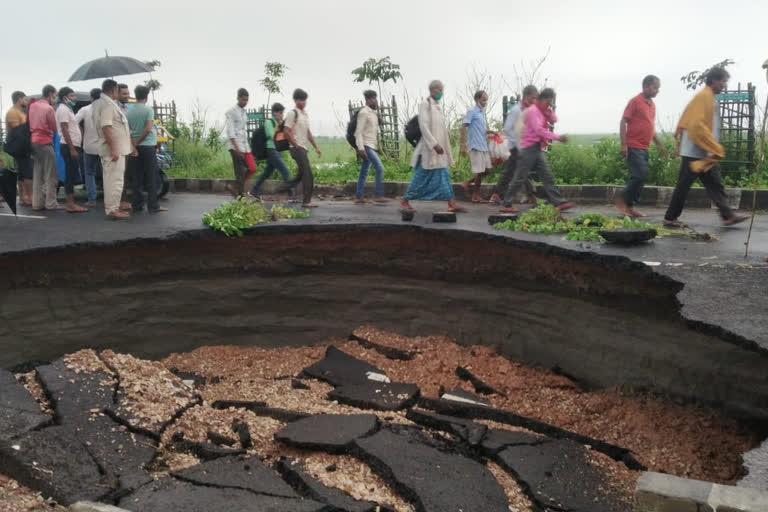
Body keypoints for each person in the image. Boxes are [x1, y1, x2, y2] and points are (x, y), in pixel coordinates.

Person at [663, 67, 748, 227]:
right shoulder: (703, 97)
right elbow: (696, 125)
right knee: (684, 185)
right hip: (695, 151)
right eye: (722, 81)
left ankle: (727, 215)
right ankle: (670, 218)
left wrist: (712, 147)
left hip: (704, 151)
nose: (724, 85)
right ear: (714, 80)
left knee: (715, 184)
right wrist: (712, 146)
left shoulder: (709, 97)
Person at [500, 88, 573, 213]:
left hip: (537, 147)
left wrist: (550, 109)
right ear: (543, 99)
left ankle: (558, 201)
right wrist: (558, 137)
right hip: (528, 148)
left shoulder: (541, 110)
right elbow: (538, 130)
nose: (549, 104)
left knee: (547, 175)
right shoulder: (533, 111)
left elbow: (554, 119)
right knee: (520, 177)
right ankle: (507, 203)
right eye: (548, 101)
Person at [400, 80, 465, 213]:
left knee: (445, 175)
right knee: (420, 177)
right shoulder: (425, 105)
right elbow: (424, 126)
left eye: (442, 90)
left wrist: (444, 147)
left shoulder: (438, 106)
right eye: (439, 90)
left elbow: (442, 129)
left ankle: (451, 203)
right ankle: (405, 200)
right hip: (427, 150)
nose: (441, 93)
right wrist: (434, 145)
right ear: (433, 90)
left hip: (439, 149)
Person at [616, 75, 668, 217]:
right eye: (655, 87)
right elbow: (623, 121)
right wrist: (623, 144)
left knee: (642, 176)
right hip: (633, 145)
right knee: (639, 176)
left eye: (658, 88)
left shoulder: (652, 105)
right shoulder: (635, 102)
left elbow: (651, 127)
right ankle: (623, 201)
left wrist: (659, 145)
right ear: (646, 86)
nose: (657, 91)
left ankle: (630, 207)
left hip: (645, 147)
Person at [489, 85, 538, 206]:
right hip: (516, 147)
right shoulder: (516, 110)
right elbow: (507, 128)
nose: (535, 100)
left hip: (522, 146)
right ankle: (531, 197)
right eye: (533, 97)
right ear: (526, 96)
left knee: (515, 172)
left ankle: (497, 195)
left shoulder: (526, 110)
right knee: (517, 172)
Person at [93, 79, 132, 219]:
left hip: (114, 148)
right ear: (112, 91)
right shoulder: (107, 105)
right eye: (117, 90)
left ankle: (113, 207)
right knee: (115, 180)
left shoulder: (102, 103)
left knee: (112, 180)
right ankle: (112, 210)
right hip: (114, 149)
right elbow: (106, 127)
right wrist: (114, 149)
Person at [126, 85, 166, 213]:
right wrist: (138, 142)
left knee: (136, 177)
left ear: (136, 95)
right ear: (146, 96)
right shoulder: (148, 110)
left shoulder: (128, 111)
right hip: (148, 146)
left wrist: (134, 144)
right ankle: (153, 206)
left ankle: (137, 205)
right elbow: (148, 128)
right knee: (151, 176)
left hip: (134, 147)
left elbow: (128, 131)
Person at [280, 88, 322, 208]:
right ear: (295, 100)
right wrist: (295, 145)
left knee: (300, 175)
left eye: (304, 100)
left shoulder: (304, 114)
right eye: (301, 100)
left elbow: (308, 133)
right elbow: (286, 131)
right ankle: (306, 201)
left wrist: (316, 147)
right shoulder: (292, 113)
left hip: (303, 148)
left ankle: (280, 189)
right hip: (296, 148)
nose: (303, 102)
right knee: (307, 174)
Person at [248, 102, 294, 200]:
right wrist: (279, 127)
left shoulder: (277, 124)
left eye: (282, 113)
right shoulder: (269, 122)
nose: (282, 115)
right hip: (271, 150)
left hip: (275, 150)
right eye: (280, 113)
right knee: (285, 171)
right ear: (274, 113)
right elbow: (270, 135)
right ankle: (291, 195)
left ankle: (254, 191)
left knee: (266, 173)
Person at [28, 84, 61, 211]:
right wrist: (54, 111)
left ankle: (37, 203)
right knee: (50, 174)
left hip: (33, 141)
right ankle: (51, 203)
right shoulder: (48, 108)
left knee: (37, 173)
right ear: (51, 94)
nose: (56, 97)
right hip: (45, 142)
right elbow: (54, 127)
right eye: (55, 94)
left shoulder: (33, 105)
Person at [55, 87, 87, 212]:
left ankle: (71, 203)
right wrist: (72, 149)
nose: (75, 98)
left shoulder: (68, 109)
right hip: (69, 146)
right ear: (65, 98)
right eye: (72, 95)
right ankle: (71, 204)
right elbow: (64, 129)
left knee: (72, 174)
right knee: (70, 175)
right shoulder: (63, 109)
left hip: (72, 146)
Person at [354, 90, 388, 204]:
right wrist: (361, 148)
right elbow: (358, 132)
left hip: (371, 145)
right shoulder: (364, 113)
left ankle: (359, 197)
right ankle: (378, 195)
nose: (375, 100)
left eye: (375, 98)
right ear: (367, 100)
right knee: (380, 168)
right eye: (373, 98)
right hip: (366, 145)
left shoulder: (373, 113)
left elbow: (374, 127)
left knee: (364, 171)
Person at [460, 90, 492, 203]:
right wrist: (463, 144)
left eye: (486, 100)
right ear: (478, 99)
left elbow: (481, 129)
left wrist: (491, 132)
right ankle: (475, 195)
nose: (485, 102)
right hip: (475, 145)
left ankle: (467, 182)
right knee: (479, 172)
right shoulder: (472, 111)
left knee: (488, 170)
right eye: (484, 100)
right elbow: (463, 126)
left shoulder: (481, 113)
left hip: (483, 145)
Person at [75, 88, 103, 207]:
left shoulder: (85, 109)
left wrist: (80, 135)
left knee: (89, 173)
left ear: (91, 98)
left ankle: (92, 200)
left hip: (89, 147)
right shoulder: (106, 110)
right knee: (107, 173)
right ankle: (110, 199)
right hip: (104, 147)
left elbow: (74, 121)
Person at [5, 91, 33, 206]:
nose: (26, 102)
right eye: (25, 99)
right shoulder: (12, 112)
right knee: (27, 172)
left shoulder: (20, 112)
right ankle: (29, 197)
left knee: (22, 173)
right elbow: (17, 131)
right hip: (18, 146)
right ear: (18, 99)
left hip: (23, 145)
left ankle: (23, 197)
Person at [224, 88, 250, 197]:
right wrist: (237, 148)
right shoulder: (231, 112)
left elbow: (243, 131)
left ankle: (234, 189)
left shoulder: (244, 112)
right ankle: (240, 196)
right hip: (235, 146)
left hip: (243, 146)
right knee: (240, 172)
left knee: (247, 169)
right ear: (238, 98)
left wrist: (245, 148)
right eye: (243, 100)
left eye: (247, 100)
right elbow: (231, 132)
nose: (245, 102)